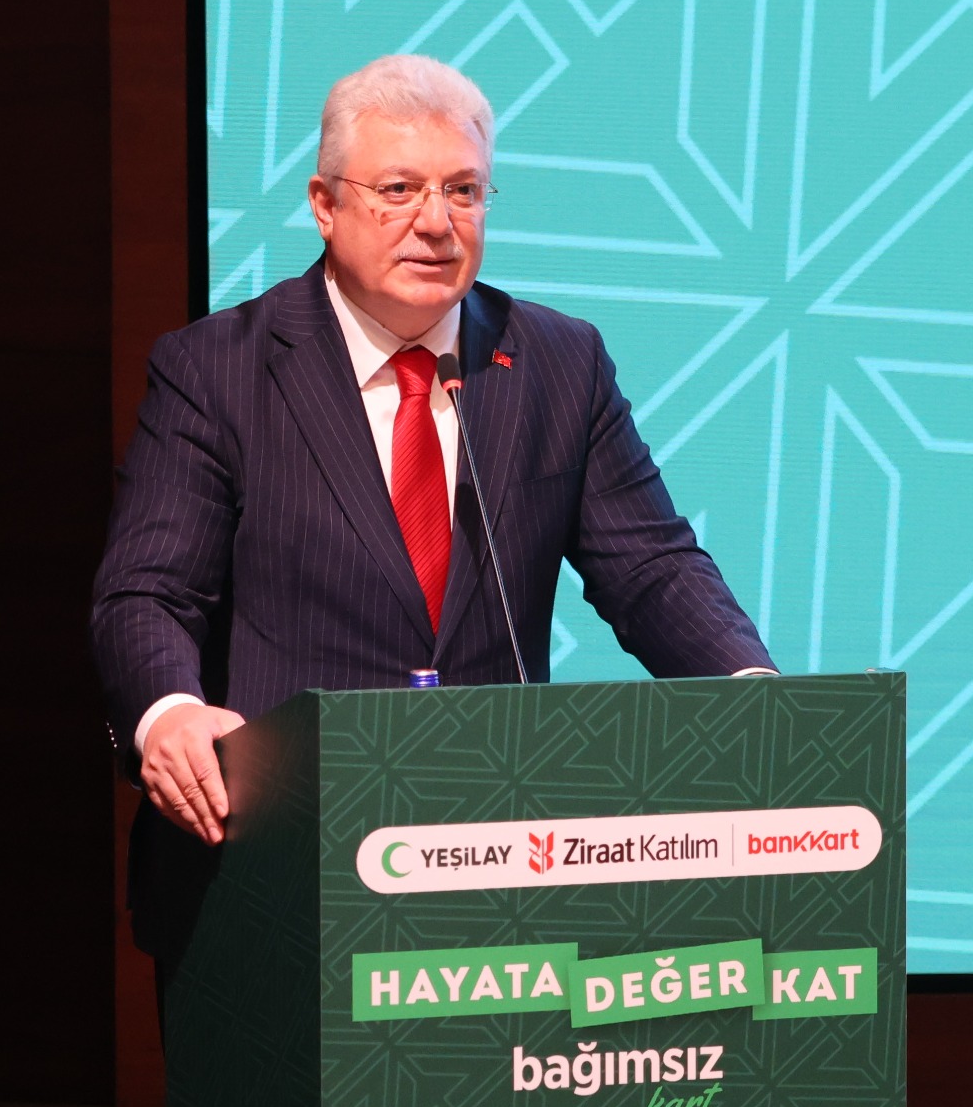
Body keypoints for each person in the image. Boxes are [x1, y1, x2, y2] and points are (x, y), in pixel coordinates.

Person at [92, 54, 771, 958]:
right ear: (324, 205)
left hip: (495, 860)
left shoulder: (558, 363)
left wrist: (755, 696)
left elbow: (651, 568)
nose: (437, 223)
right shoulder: (218, 370)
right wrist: (168, 712)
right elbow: (146, 592)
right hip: (275, 861)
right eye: (399, 189)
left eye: (464, 190)